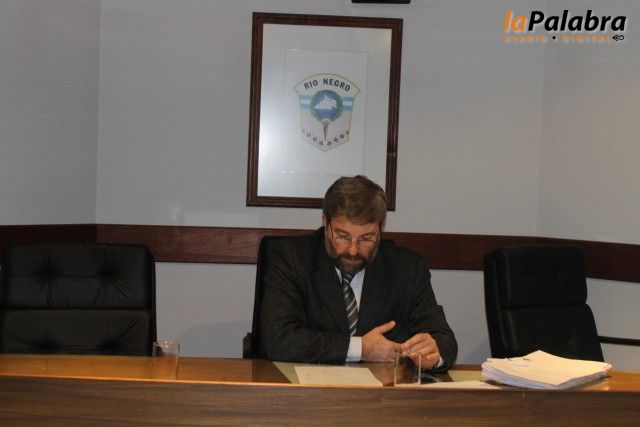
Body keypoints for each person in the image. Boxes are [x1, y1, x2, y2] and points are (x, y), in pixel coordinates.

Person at [260, 175, 457, 371]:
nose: (353, 250)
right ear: (326, 223)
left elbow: (443, 339)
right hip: (307, 388)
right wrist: (361, 349)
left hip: (383, 389)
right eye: (343, 236)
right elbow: (279, 339)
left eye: (366, 238)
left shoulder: (407, 268)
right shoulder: (292, 259)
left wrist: (433, 353)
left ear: (380, 229)